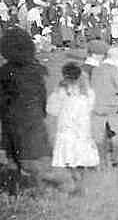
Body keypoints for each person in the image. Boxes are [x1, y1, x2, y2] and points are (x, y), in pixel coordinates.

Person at [0, 28, 58, 189]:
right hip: (34, 117)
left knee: (18, 157)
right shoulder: (37, 69)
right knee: (35, 156)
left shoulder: (5, 72)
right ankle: (39, 186)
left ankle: (23, 185)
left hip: (13, 119)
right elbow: (42, 95)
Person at [46, 62, 100, 187]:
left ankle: (72, 179)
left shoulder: (61, 91)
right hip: (82, 128)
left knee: (68, 154)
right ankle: (80, 180)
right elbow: (90, 107)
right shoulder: (88, 92)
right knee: (81, 153)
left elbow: (52, 109)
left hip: (67, 127)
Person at [90, 45, 118, 167]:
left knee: (100, 131)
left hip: (95, 105)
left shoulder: (96, 69)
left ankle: (103, 159)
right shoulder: (113, 70)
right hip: (109, 104)